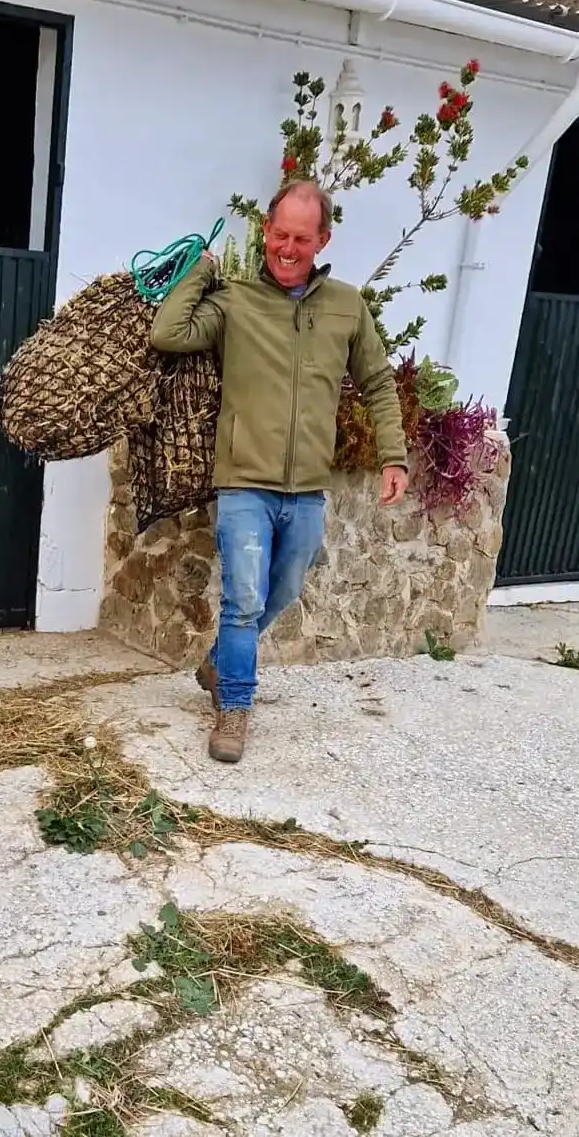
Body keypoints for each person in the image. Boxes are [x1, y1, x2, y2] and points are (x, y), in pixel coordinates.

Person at [149, 179, 408, 765]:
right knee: (243, 599)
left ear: (323, 239)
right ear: (265, 231)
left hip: (308, 488)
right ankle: (234, 708)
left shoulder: (347, 305)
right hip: (243, 481)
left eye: (301, 238)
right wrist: (202, 271)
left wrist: (394, 456)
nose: (287, 249)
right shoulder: (235, 301)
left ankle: (219, 662)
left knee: (284, 589)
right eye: (278, 235)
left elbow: (377, 382)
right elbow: (168, 333)